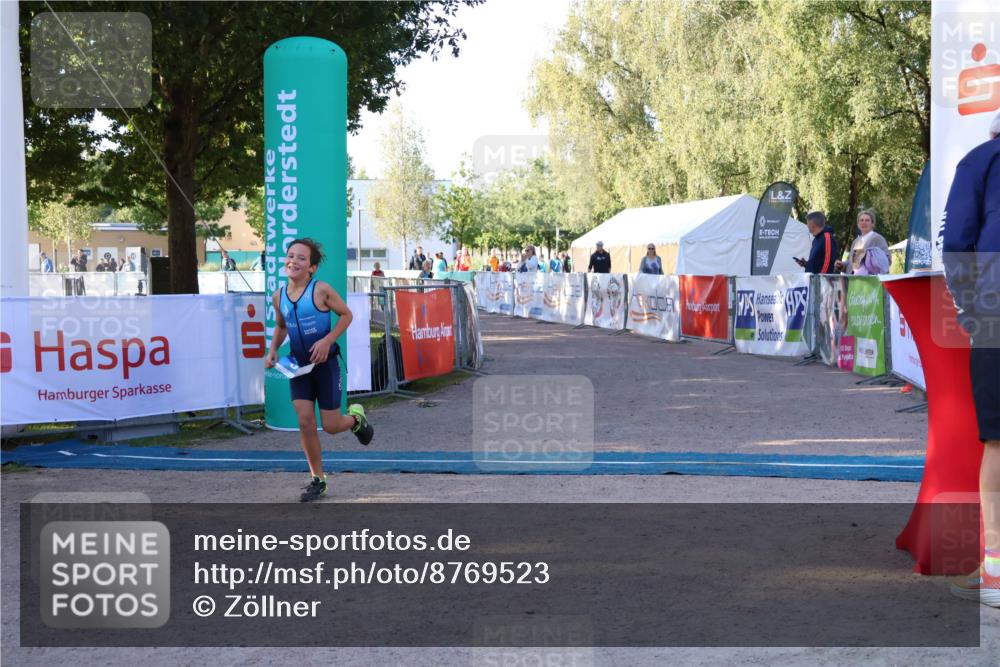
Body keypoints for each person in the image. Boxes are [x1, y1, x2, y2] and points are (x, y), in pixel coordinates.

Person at [264, 238, 374, 502]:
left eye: (302, 258)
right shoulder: (279, 295)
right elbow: (281, 326)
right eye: (291, 256)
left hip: (325, 365)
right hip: (299, 367)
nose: (294, 261)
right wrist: (273, 350)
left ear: (311, 267)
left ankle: (356, 419)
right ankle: (318, 479)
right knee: (304, 419)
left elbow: (346, 315)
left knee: (332, 426)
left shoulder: (321, 290)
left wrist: (327, 341)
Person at [943, 112, 1000, 608]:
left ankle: (997, 572)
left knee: (999, 441)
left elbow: (957, 242)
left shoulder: (980, 161)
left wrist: (969, 307)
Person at [836, 209, 890, 275]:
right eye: (861, 220)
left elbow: (887, 261)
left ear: (872, 224)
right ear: (858, 224)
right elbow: (851, 264)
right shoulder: (855, 242)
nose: (864, 222)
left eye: (867, 220)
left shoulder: (878, 239)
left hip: (871, 282)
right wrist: (842, 265)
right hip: (854, 281)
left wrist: (868, 257)